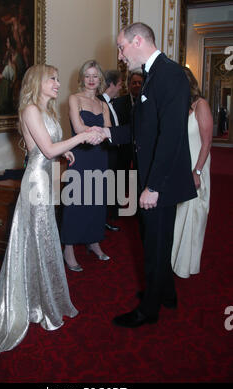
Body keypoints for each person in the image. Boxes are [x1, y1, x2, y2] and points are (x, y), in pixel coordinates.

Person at [0, 64, 102, 371]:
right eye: (53, 79)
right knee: (39, 238)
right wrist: (78, 141)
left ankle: (40, 300)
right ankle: (35, 303)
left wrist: (62, 154)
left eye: (57, 78)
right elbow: (46, 146)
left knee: (40, 240)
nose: (57, 83)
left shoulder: (48, 111)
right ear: (38, 82)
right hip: (36, 184)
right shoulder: (30, 109)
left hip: (43, 178)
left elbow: (46, 150)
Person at [96, 22, 197, 328]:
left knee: (154, 244)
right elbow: (144, 130)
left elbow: (171, 136)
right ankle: (165, 293)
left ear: (137, 41)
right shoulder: (153, 75)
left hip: (159, 182)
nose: (120, 54)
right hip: (154, 179)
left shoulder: (170, 74)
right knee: (156, 240)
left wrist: (153, 186)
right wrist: (107, 133)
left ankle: (148, 310)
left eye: (121, 46)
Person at [60, 60, 111, 272]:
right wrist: (98, 133)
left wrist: (100, 135)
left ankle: (94, 241)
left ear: (100, 80)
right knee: (76, 202)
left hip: (100, 155)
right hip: (80, 155)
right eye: (87, 76)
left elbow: (109, 129)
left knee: (97, 200)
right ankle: (68, 247)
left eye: (95, 76)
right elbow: (78, 127)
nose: (91, 80)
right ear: (81, 78)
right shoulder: (74, 99)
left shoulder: (104, 104)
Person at [171, 67, 213, 278]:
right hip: (180, 166)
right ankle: (174, 260)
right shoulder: (178, 105)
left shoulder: (200, 104)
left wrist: (197, 171)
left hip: (197, 165)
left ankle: (186, 265)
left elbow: (207, 142)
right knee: (178, 214)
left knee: (193, 214)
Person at [98, 69, 122, 231]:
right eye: (119, 84)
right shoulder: (98, 102)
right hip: (104, 153)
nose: (121, 88)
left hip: (114, 153)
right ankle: (101, 221)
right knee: (102, 189)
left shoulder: (113, 103)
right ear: (111, 84)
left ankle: (106, 218)